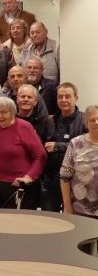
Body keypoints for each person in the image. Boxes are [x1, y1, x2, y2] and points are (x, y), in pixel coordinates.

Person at [42, 82, 88, 212]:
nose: (63, 100)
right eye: (60, 97)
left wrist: (58, 146)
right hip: (51, 180)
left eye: (67, 96)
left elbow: (86, 147)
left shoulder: (85, 120)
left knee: (75, 221)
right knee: (48, 220)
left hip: (76, 181)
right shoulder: (49, 120)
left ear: (76, 98)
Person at [60, 105, 98, 217]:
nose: (96, 122)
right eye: (92, 120)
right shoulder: (75, 144)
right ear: (86, 122)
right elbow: (64, 177)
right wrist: (67, 207)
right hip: (80, 210)